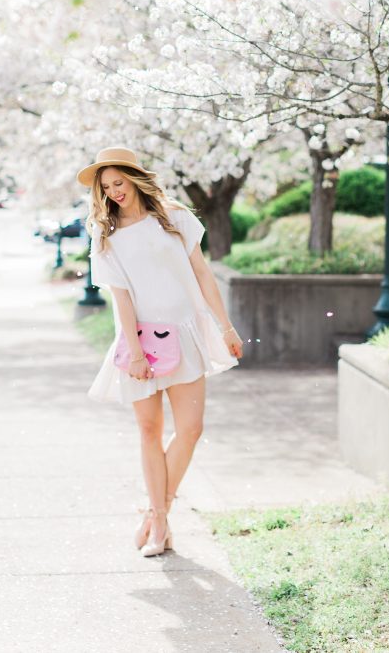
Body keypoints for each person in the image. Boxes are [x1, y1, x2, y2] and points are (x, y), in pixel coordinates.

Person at [77, 146, 244, 558]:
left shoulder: (175, 218)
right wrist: (134, 353)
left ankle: (157, 514)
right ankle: (162, 523)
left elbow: (202, 273)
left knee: (190, 429)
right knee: (149, 431)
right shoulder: (105, 235)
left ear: (135, 178)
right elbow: (121, 297)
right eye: (106, 186)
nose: (114, 192)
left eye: (119, 182)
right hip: (139, 343)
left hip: (185, 333)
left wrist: (225, 326)